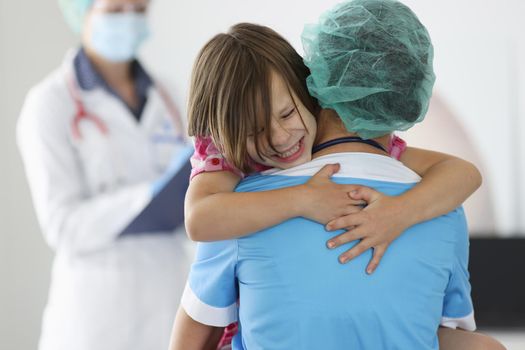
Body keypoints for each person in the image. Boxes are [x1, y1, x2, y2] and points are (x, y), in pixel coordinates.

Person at [170, 4, 503, 350]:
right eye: (255, 131)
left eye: (286, 113)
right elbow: (199, 218)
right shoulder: (443, 212)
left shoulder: (239, 214)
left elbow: (190, 339)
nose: (280, 138)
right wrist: (303, 199)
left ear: (312, 86)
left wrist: (397, 214)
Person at [16, 1, 194, 349]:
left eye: (138, 9)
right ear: (81, 12)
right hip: (97, 316)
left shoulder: (167, 94)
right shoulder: (49, 103)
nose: (128, 20)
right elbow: (63, 225)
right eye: (115, 11)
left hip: (168, 297)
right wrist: (147, 197)